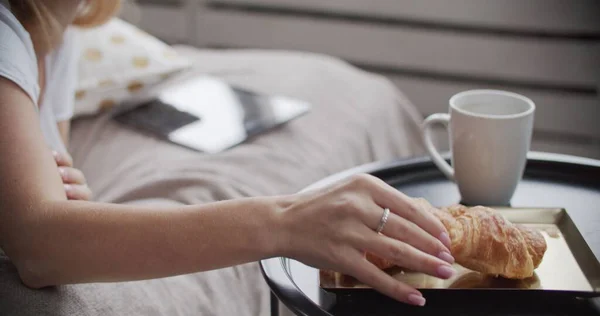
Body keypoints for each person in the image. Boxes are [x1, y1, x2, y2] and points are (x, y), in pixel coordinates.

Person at [0, 0, 456, 309]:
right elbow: (42, 246)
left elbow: (54, 178)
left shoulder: (59, 27)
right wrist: (286, 222)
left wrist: (63, 187)